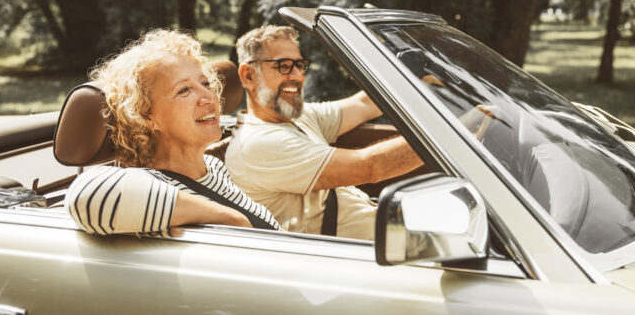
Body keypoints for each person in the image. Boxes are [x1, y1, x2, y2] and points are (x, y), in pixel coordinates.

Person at [65, 29, 281, 235]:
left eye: (205, 83)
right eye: (184, 90)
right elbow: (86, 195)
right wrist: (232, 219)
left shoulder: (213, 169)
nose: (209, 97)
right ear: (146, 115)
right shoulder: (151, 184)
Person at [224, 25, 424, 240]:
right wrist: (449, 139)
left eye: (300, 65)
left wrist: (411, 71)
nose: (298, 76)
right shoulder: (257, 144)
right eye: (284, 66)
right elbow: (371, 167)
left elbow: (363, 104)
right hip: (354, 259)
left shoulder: (297, 116)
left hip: (391, 235)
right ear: (248, 76)